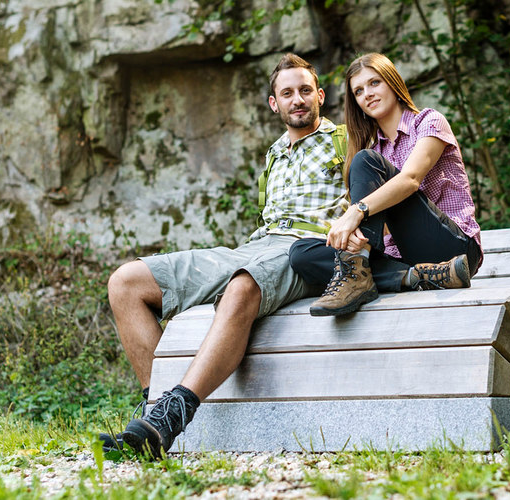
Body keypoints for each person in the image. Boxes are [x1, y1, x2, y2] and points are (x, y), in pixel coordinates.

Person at [99, 53, 350, 458]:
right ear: (274, 104)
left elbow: (377, 198)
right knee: (125, 282)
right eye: (287, 93)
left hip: (308, 249)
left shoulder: (346, 139)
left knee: (243, 285)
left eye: (306, 90)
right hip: (255, 246)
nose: (298, 99)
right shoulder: (274, 155)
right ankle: (151, 415)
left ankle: (171, 417)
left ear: (320, 95)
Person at [289, 53, 483, 316]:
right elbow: (381, 230)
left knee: (365, 161)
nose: (367, 94)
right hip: (406, 256)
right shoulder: (374, 151)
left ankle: (360, 273)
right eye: (359, 91)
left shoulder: (428, 122)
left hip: (454, 249)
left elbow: (410, 180)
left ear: (392, 83)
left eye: (374, 83)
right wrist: (357, 235)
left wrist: (355, 211)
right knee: (301, 253)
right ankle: (412, 276)